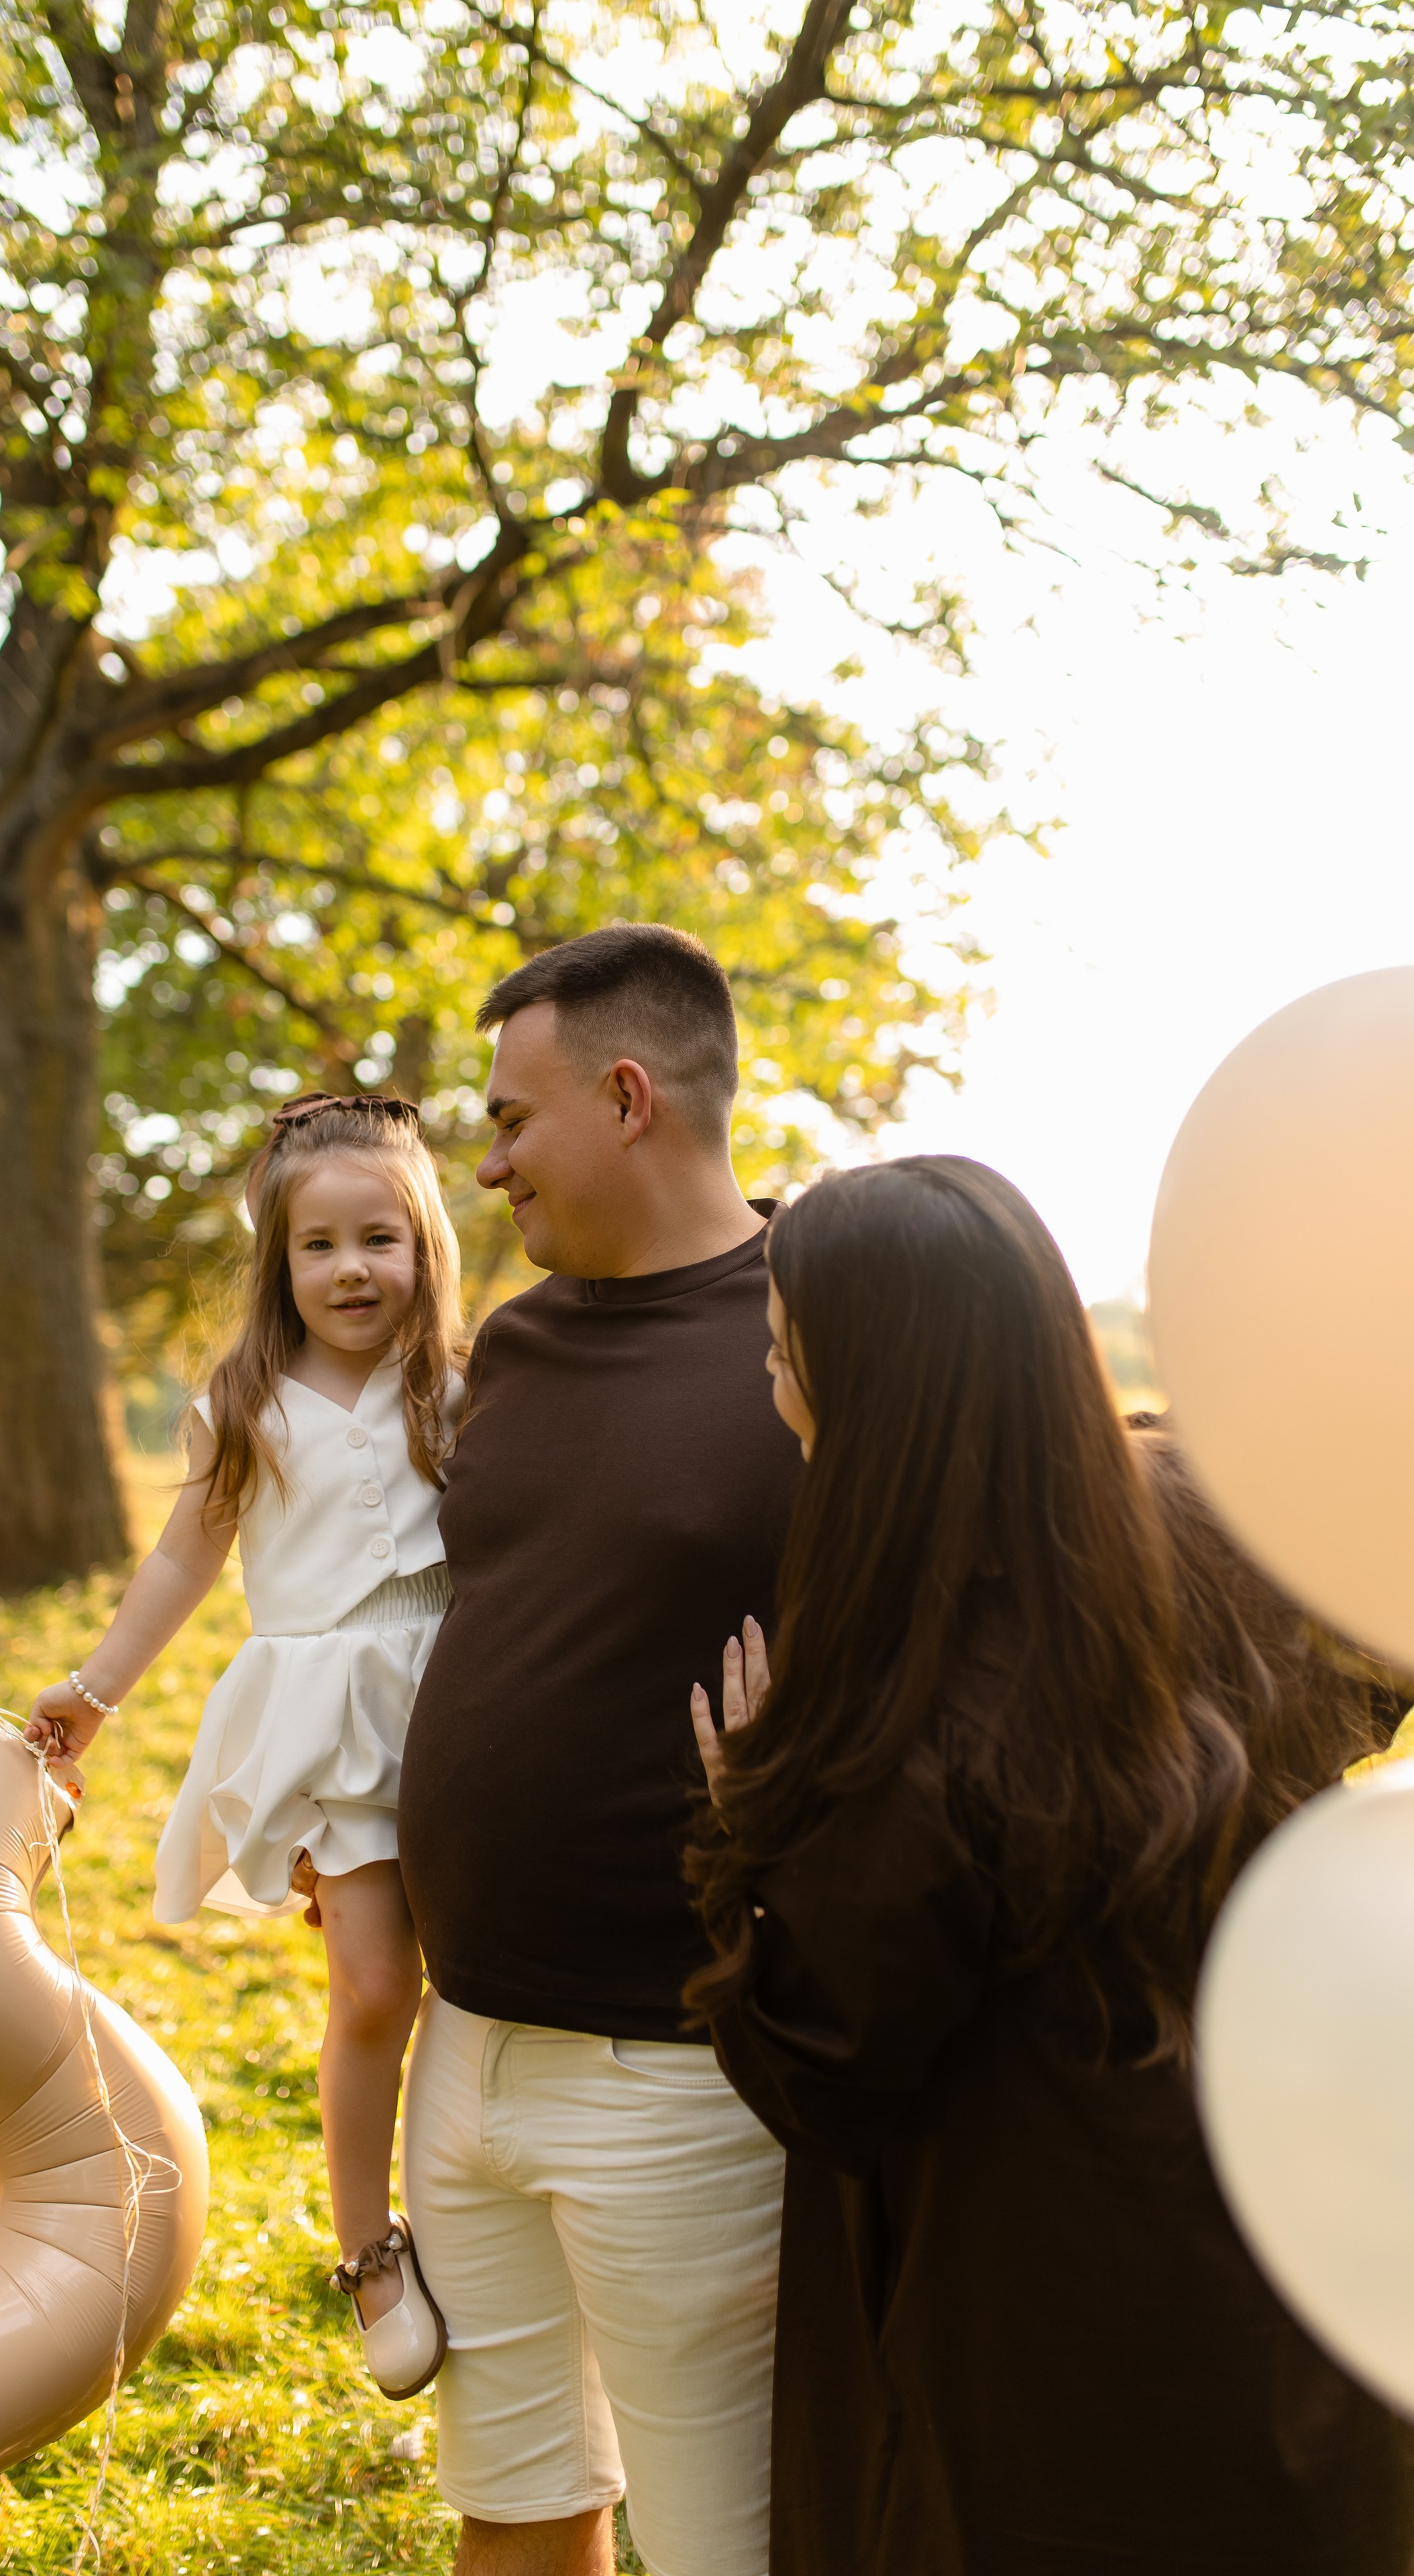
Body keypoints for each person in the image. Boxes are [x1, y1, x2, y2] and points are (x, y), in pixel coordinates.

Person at [686, 1156, 1414, 2576]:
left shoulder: (910, 1720)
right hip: (1293, 2224)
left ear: (874, 1395)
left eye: (781, 1356)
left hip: (1053, 2305)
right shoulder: (1211, 1511)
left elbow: (827, 2063)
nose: (771, 1389)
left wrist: (744, 1831)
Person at [395, 923, 804, 2576]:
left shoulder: (816, 1333)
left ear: (627, 1098)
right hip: (461, 2044)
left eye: (511, 1120)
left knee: (719, 2547)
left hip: (678, 2074)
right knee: (511, 2510)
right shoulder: (519, 1335)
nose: (488, 1165)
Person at [26, 1093, 464, 2401]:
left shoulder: (461, 1383)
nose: (350, 1269)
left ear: (425, 1243)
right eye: (318, 1245)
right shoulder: (245, 1402)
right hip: (331, 1719)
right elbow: (184, 1559)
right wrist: (96, 1690)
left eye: (379, 1238)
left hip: (463, 1698)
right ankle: (368, 2246)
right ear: (278, 1260)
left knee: (480, 1976)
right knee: (374, 1987)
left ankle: (482, 2206)